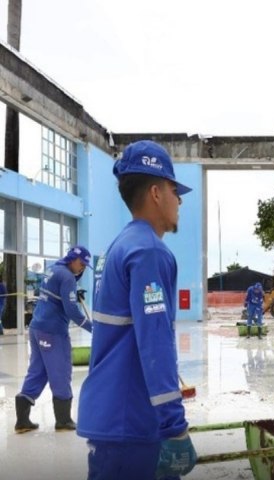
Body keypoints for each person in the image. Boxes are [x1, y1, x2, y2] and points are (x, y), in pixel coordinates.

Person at [76, 140, 197, 479]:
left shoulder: (120, 246)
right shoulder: (148, 252)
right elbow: (154, 343)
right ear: (156, 192)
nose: (180, 200)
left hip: (112, 419)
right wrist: (174, 426)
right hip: (133, 424)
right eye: (175, 189)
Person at [15, 245, 93, 433]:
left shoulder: (54, 269)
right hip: (53, 331)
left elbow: (58, 294)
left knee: (38, 371)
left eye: (84, 266)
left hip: (37, 328)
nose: (82, 268)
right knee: (61, 371)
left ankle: (22, 421)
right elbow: (72, 311)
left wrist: (74, 291)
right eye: (81, 264)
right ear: (72, 259)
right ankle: (63, 420)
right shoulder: (67, 276)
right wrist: (93, 329)